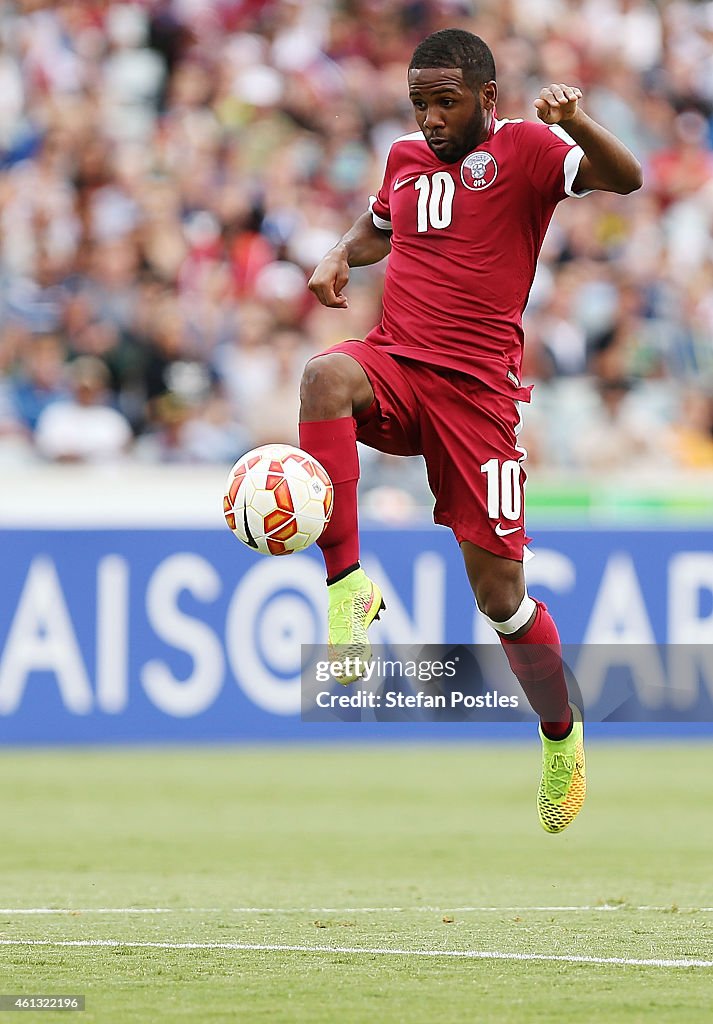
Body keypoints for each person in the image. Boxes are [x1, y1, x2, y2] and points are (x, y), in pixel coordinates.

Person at [299, 29, 642, 833]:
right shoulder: (404, 159)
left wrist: (577, 124)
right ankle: (347, 587)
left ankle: (560, 734)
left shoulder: (526, 149)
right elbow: (384, 223)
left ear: (487, 97)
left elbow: (624, 178)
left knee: (501, 600)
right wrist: (339, 254)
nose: (429, 119)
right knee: (322, 375)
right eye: (419, 103)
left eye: (445, 102)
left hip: (478, 403)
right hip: (395, 366)